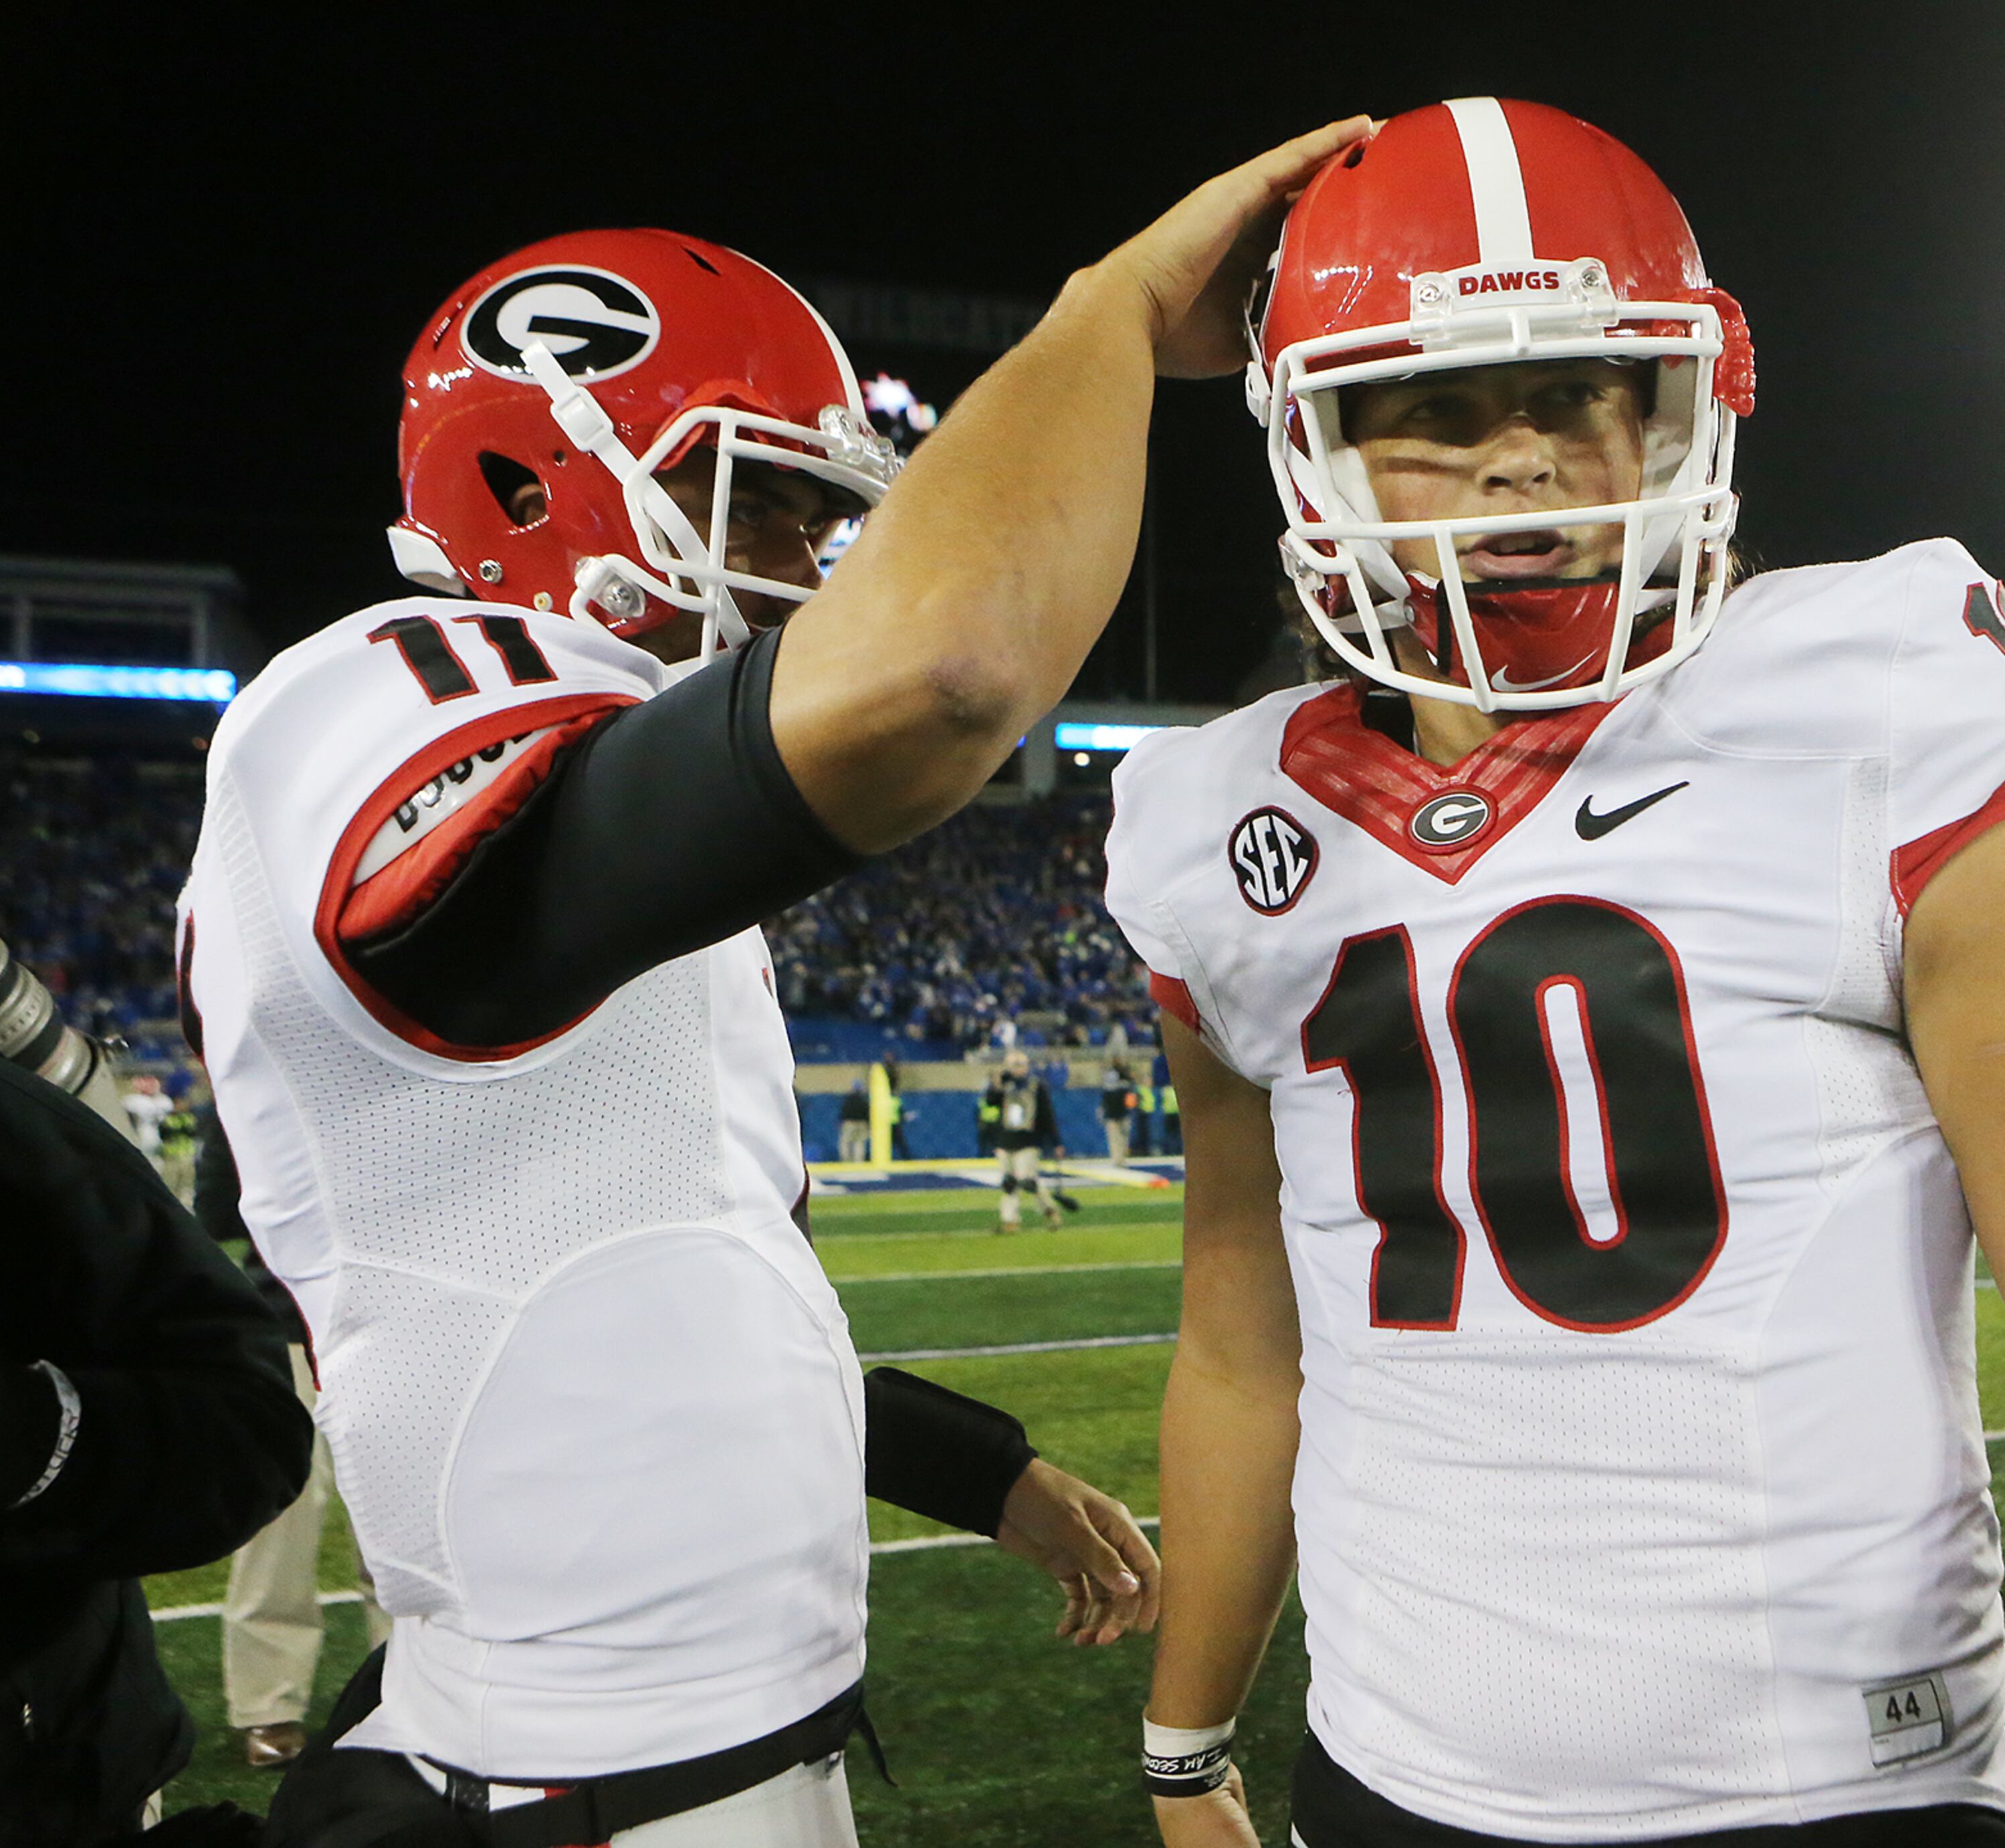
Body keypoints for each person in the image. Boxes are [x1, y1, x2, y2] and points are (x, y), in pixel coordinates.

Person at [1108, 100, 2005, 1848]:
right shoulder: (1219, 827)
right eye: (1435, 412)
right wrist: (1182, 1746)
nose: (1518, 463)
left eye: (1573, 395)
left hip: (1842, 1798)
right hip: (1386, 1788)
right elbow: (1243, 1347)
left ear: (1684, 408)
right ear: (1317, 453)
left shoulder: (1864, 701)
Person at [193, 117, 1368, 1847]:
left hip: (680, 1768)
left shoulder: (643, 886)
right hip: (564, 1792)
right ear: (532, 483)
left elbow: (653, 1308)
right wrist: (1104, 315)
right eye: (767, 497)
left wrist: (981, 1470)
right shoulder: (357, 699)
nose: (811, 560)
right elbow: (945, 672)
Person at [0, 1030, 312, 1843]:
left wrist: (23, 1437)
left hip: (38, 1782)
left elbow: (243, 1431)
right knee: (286, 1564)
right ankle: (271, 1705)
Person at [194, 1122, 395, 1771]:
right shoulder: (243, 1075)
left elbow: (217, 1208)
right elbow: (220, 1206)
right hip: (291, 1323)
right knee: (278, 1522)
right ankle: (268, 1707)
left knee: (401, 1524)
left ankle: (406, 1689)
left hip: (394, 1319)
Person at [986, 1049, 1063, 1232]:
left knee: (1027, 1181)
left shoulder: (1037, 1086)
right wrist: (997, 1083)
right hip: (1006, 1140)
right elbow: (991, 1101)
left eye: (1021, 1065)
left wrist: (1056, 1141)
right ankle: (1010, 1221)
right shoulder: (1005, 1085)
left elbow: (1047, 1114)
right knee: (1009, 1183)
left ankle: (1050, 1210)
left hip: (1029, 1141)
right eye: (1013, 1065)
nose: (1017, 1069)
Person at [1101, 1061, 1138, 1166]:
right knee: (1122, 1139)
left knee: (1115, 1139)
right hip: (1122, 1116)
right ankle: (1120, 1159)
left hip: (1114, 1116)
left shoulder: (1109, 1090)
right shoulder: (1125, 1087)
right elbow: (1130, 1103)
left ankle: (1117, 1159)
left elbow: (1105, 1104)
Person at [837, 1080, 872, 1164]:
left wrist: (841, 1121)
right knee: (859, 1143)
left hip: (849, 1123)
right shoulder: (864, 1100)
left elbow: (844, 1111)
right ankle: (858, 1162)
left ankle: (846, 1162)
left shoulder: (848, 1100)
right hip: (862, 1124)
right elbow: (867, 1113)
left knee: (845, 1143)